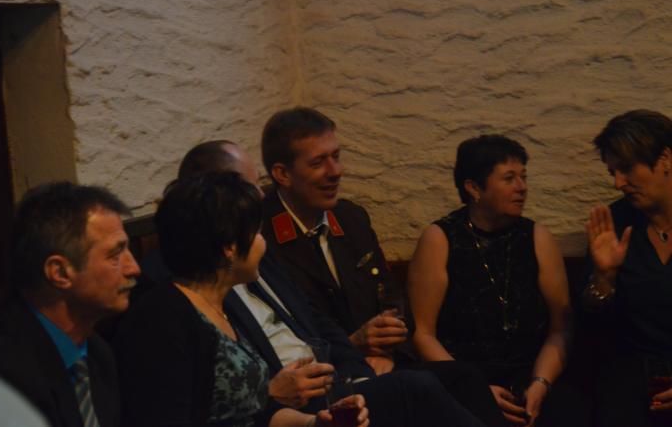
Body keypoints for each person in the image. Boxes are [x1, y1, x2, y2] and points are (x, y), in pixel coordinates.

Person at [139, 139, 490, 427]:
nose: (261, 197)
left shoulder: (229, 285)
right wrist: (278, 397)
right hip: (300, 397)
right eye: (249, 188)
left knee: (460, 377)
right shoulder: (173, 302)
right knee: (415, 388)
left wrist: (353, 380)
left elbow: (315, 323)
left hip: (321, 390)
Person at [259, 109, 505, 426]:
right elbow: (292, 333)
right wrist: (355, 346)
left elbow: (390, 297)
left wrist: (386, 350)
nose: (336, 171)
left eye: (336, 157)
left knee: (464, 377)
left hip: (382, 365)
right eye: (318, 163)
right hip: (327, 381)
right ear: (282, 174)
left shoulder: (351, 218)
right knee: (419, 388)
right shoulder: (263, 240)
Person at [113, 172, 369, 427]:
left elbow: (257, 412)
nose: (263, 243)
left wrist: (315, 423)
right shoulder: (164, 317)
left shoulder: (216, 306)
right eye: (257, 233)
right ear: (229, 247)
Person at [408, 135, 572, 426]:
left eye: (523, 177)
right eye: (509, 178)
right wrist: (473, 389)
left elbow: (561, 329)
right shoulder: (440, 238)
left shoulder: (537, 237)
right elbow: (423, 334)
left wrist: (541, 383)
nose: (522, 187)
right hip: (464, 379)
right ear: (473, 188)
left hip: (533, 375)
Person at [0, 181, 141, 427]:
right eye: (115, 255)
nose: (133, 268)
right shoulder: (5, 375)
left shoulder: (97, 352)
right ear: (60, 273)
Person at [584, 109, 672, 427]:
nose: (618, 183)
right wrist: (604, 278)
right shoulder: (616, 224)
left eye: (626, 169)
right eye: (613, 172)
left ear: (665, 159)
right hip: (634, 376)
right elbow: (592, 332)